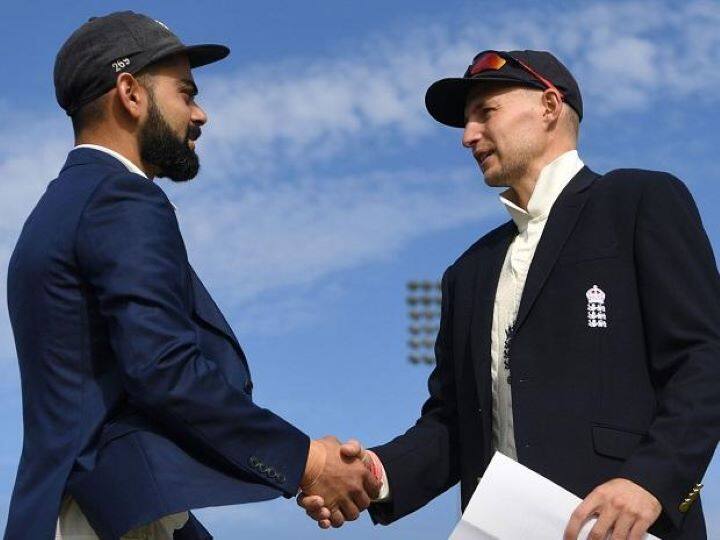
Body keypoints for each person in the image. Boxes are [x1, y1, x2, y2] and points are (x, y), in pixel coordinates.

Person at [299, 50, 720, 539]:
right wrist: (373, 474)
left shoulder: (638, 201)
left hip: (623, 527)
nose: (467, 136)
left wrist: (650, 480)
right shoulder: (468, 271)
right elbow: (454, 424)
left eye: (485, 112)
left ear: (548, 105)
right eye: (465, 122)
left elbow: (705, 356)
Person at [4, 11, 379, 540]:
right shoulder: (121, 200)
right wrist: (308, 462)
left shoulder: (57, 210)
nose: (200, 114)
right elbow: (163, 368)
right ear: (130, 93)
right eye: (185, 92)